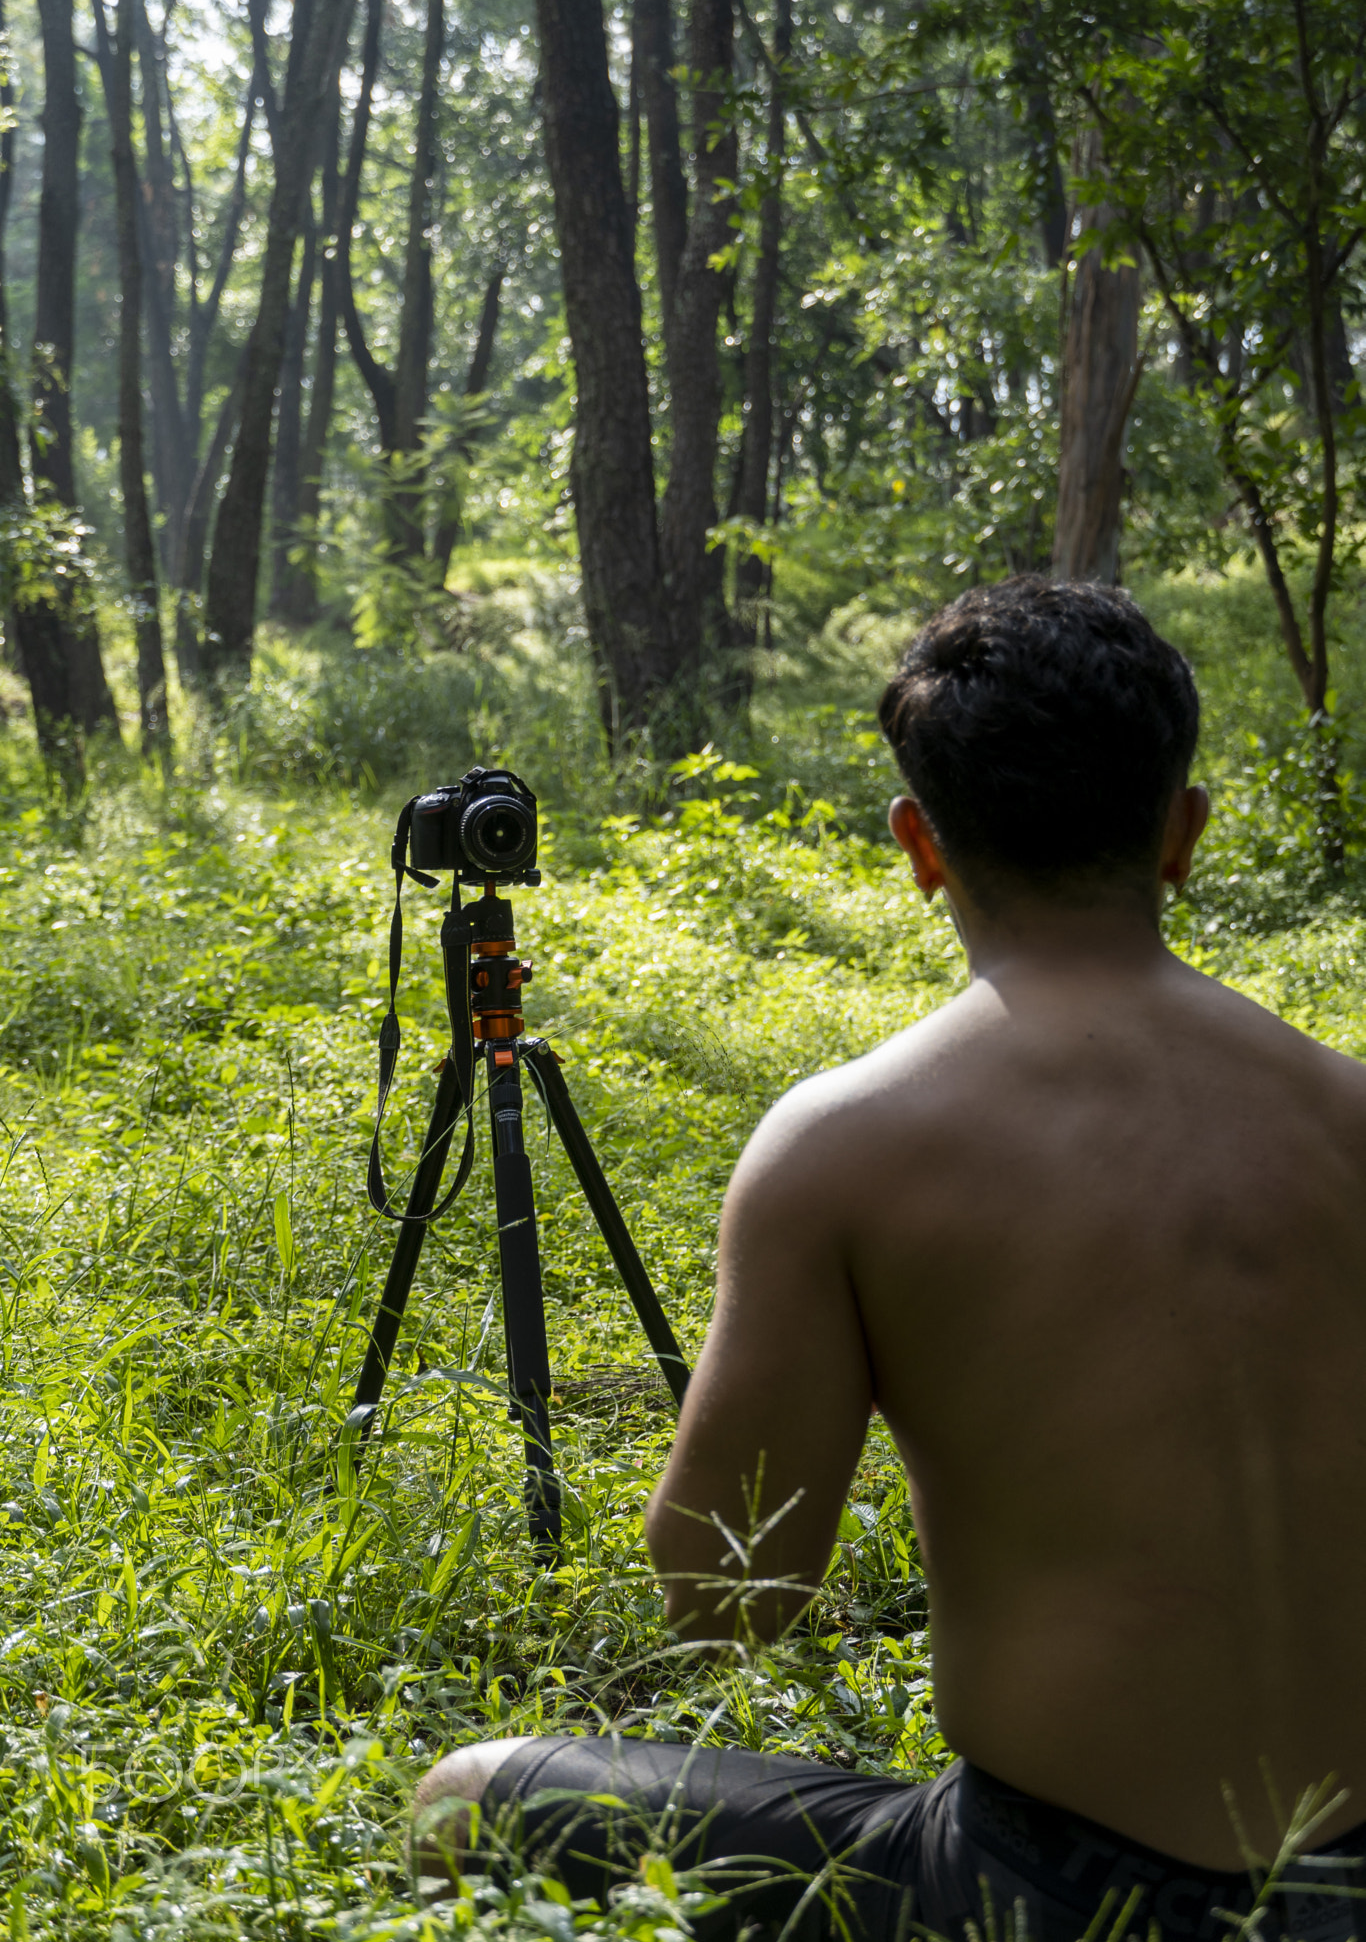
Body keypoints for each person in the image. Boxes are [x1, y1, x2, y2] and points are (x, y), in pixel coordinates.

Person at [413, 578, 1366, 1941]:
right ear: (1182, 834)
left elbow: (724, 1597)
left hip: (1044, 1884)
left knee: (464, 1797)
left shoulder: (845, 1145)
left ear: (918, 844)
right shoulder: (1349, 1112)